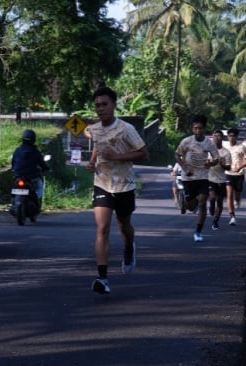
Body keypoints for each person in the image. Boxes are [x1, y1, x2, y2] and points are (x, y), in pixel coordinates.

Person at [86, 86, 148, 295]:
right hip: (102, 183)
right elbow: (97, 146)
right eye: (97, 105)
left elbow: (143, 153)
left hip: (124, 185)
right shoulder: (94, 129)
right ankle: (102, 279)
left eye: (104, 104)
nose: (100, 109)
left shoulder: (126, 129)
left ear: (114, 105)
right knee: (102, 228)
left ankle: (129, 247)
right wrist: (92, 162)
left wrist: (116, 157)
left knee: (124, 226)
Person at [175, 114, 221, 243]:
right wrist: (184, 167)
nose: (198, 131)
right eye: (195, 128)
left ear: (204, 129)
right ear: (192, 129)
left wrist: (211, 163)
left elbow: (216, 158)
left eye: (200, 128)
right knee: (191, 206)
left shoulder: (209, 143)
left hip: (202, 177)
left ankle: (198, 232)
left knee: (202, 202)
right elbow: (177, 155)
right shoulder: (186, 141)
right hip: (188, 178)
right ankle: (186, 199)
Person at [11, 129, 50, 207]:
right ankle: (37, 201)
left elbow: (13, 162)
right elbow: (41, 163)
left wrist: (14, 169)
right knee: (39, 187)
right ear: (33, 139)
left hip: (18, 175)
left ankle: (12, 202)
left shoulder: (17, 150)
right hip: (32, 177)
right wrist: (46, 168)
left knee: (13, 188)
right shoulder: (35, 151)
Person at [225, 127, 246, 225]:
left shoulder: (241, 147)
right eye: (230, 136)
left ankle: (237, 200)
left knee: (237, 195)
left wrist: (240, 167)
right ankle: (232, 217)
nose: (231, 138)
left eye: (233, 136)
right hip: (228, 174)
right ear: (228, 136)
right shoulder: (225, 147)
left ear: (236, 137)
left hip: (239, 174)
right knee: (229, 194)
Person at [207, 129, 232, 231]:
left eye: (219, 136)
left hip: (221, 179)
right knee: (212, 197)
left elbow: (229, 167)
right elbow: (205, 164)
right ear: (212, 138)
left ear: (222, 138)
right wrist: (209, 164)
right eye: (215, 136)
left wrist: (222, 165)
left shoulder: (226, 152)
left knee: (220, 202)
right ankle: (211, 206)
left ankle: (215, 221)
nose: (217, 138)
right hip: (211, 178)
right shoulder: (209, 151)